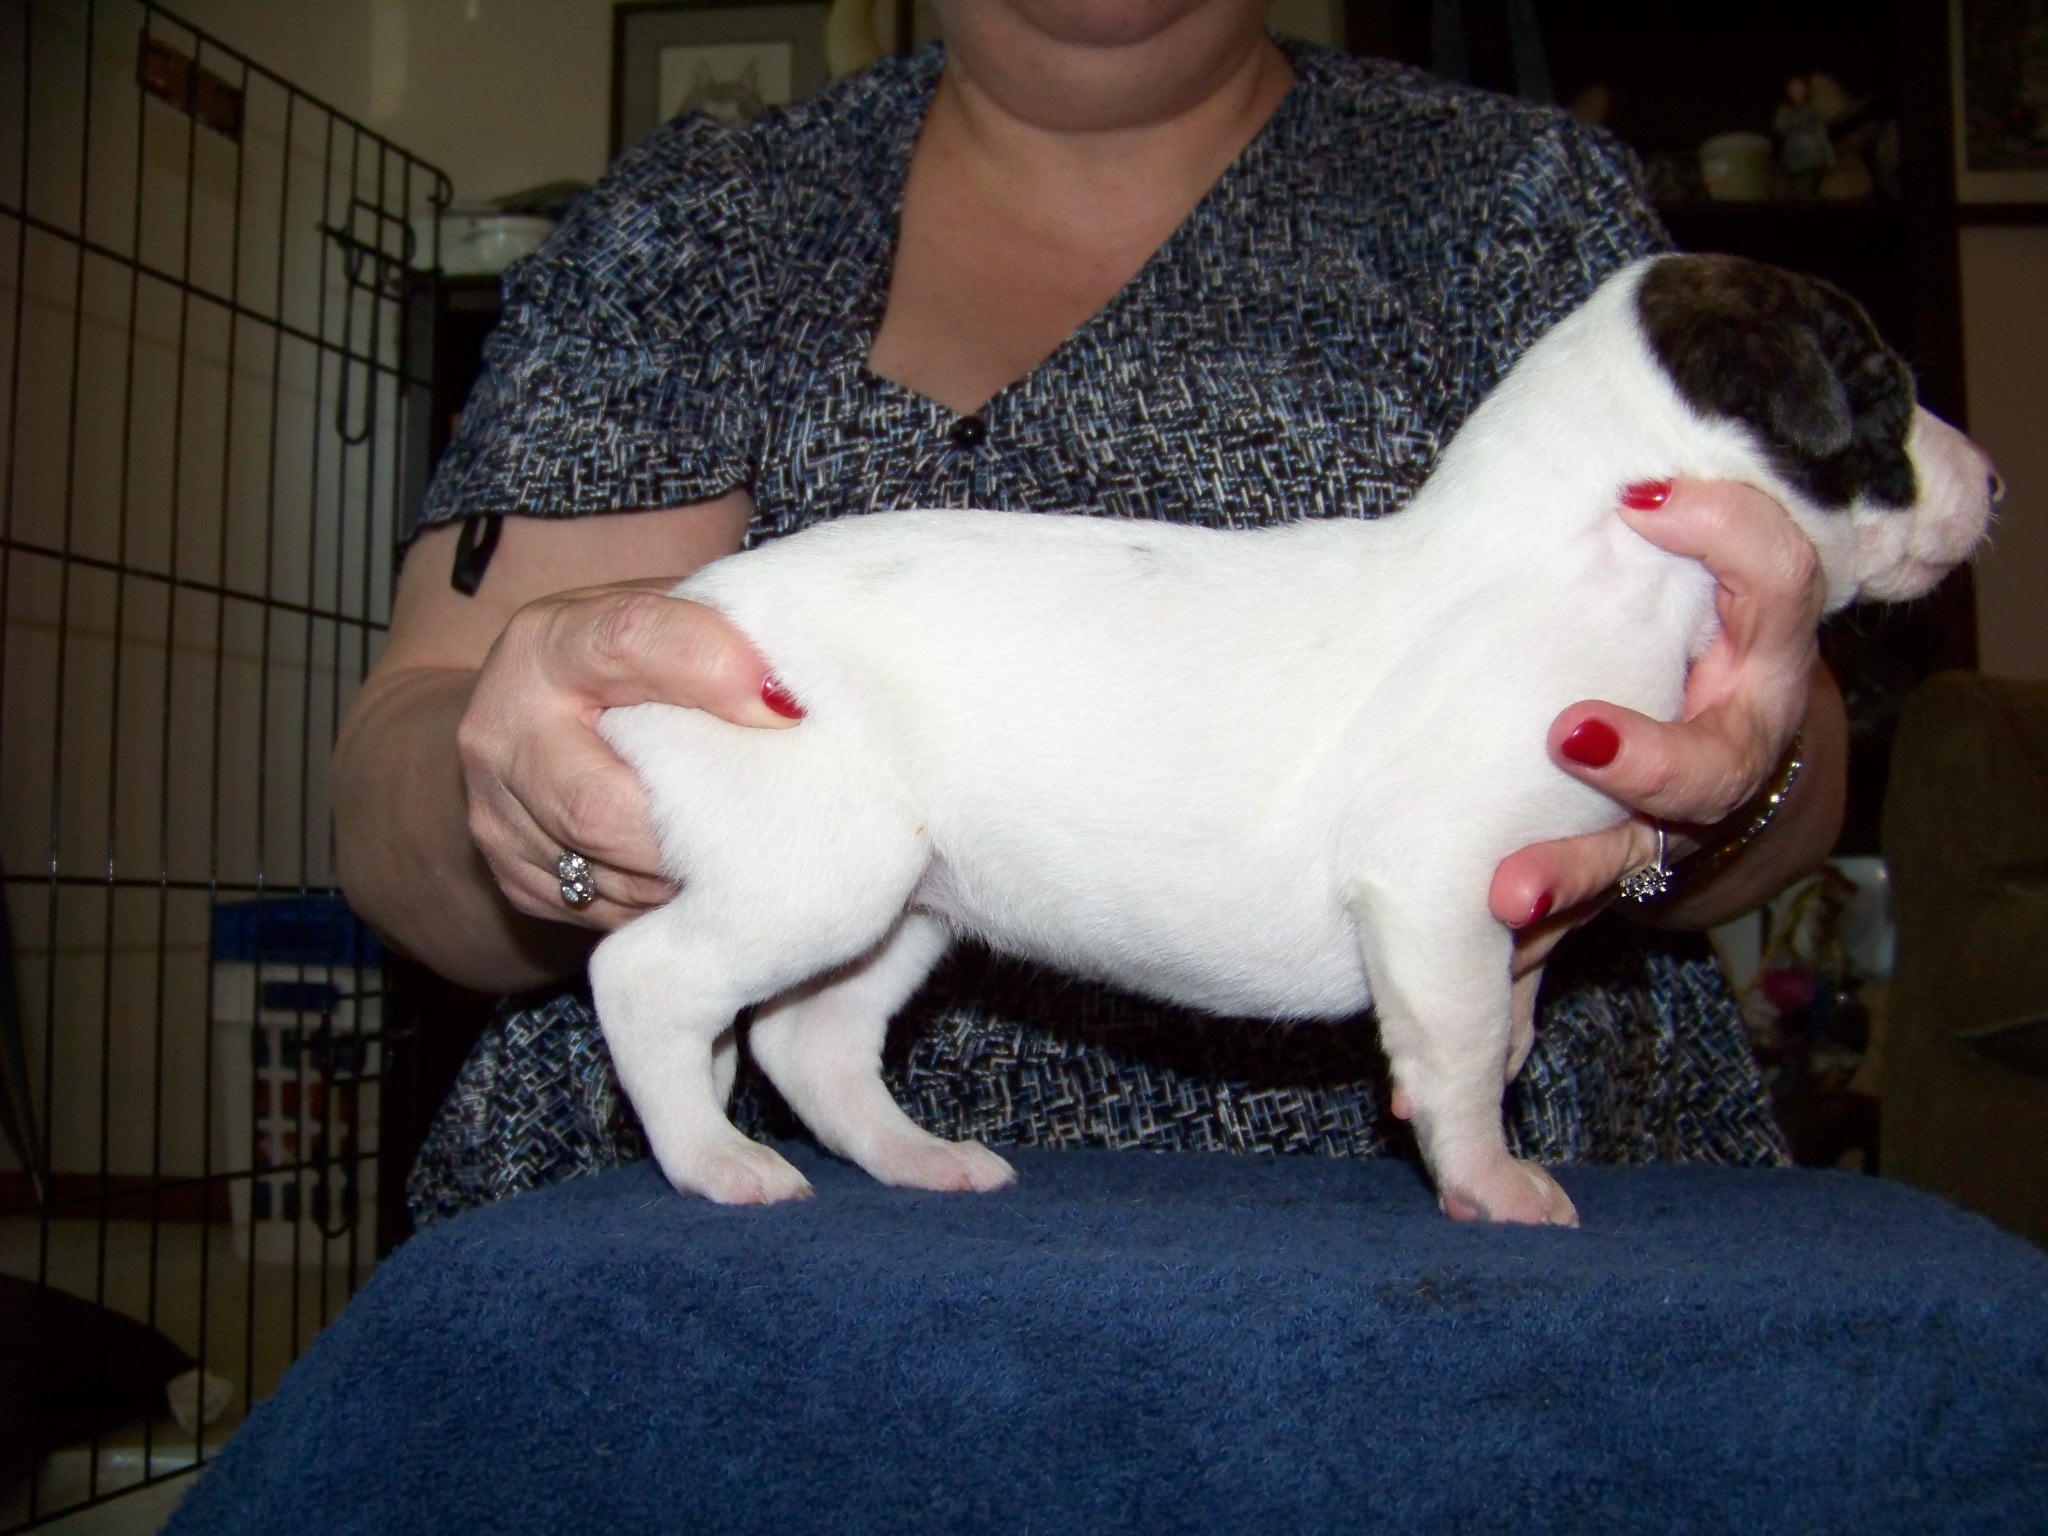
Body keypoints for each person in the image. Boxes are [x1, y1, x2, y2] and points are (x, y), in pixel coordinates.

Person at [332, 0, 1846, 1224]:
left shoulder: (1525, 200)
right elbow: (411, 751)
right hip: (734, 1224)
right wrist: (524, 790)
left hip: (1522, 1166)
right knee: (827, 887)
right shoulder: (698, 216)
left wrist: (1713, 785)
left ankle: (821, 1063)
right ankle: (698, 1026)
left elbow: (1787, 735)